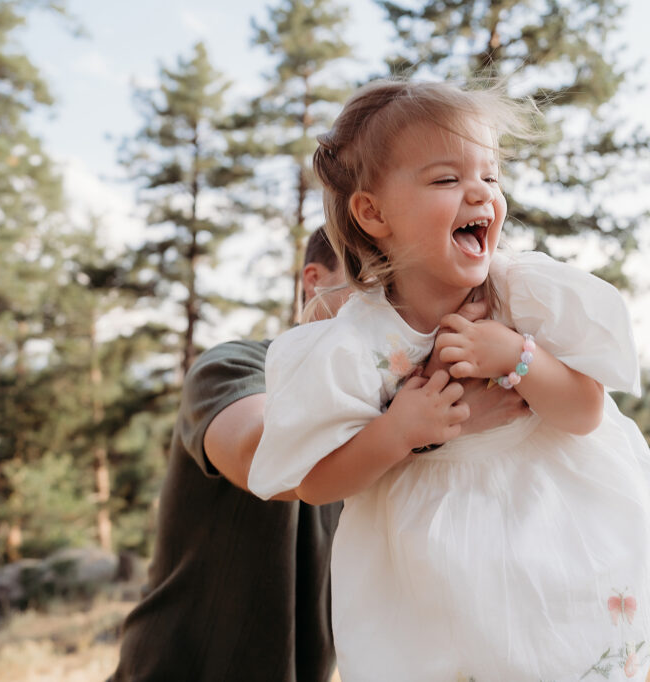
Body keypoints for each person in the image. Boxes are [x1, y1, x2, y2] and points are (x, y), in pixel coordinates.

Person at [247, 81, 650, 681]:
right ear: (373, 213)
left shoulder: (521, 295)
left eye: (491, 177)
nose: (480, 193)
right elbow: (316, 482)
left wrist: (519, 358)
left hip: (548, 526)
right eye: (447, 179)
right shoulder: (357, 342)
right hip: (428, 564)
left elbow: (584, 411)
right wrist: (397, 432)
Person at [111, 227, 527, 682]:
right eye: (381, 282)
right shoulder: (232, 366)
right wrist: (428, 427)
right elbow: (264, 458)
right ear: (315, 281)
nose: (400, 305)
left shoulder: (410, 411)